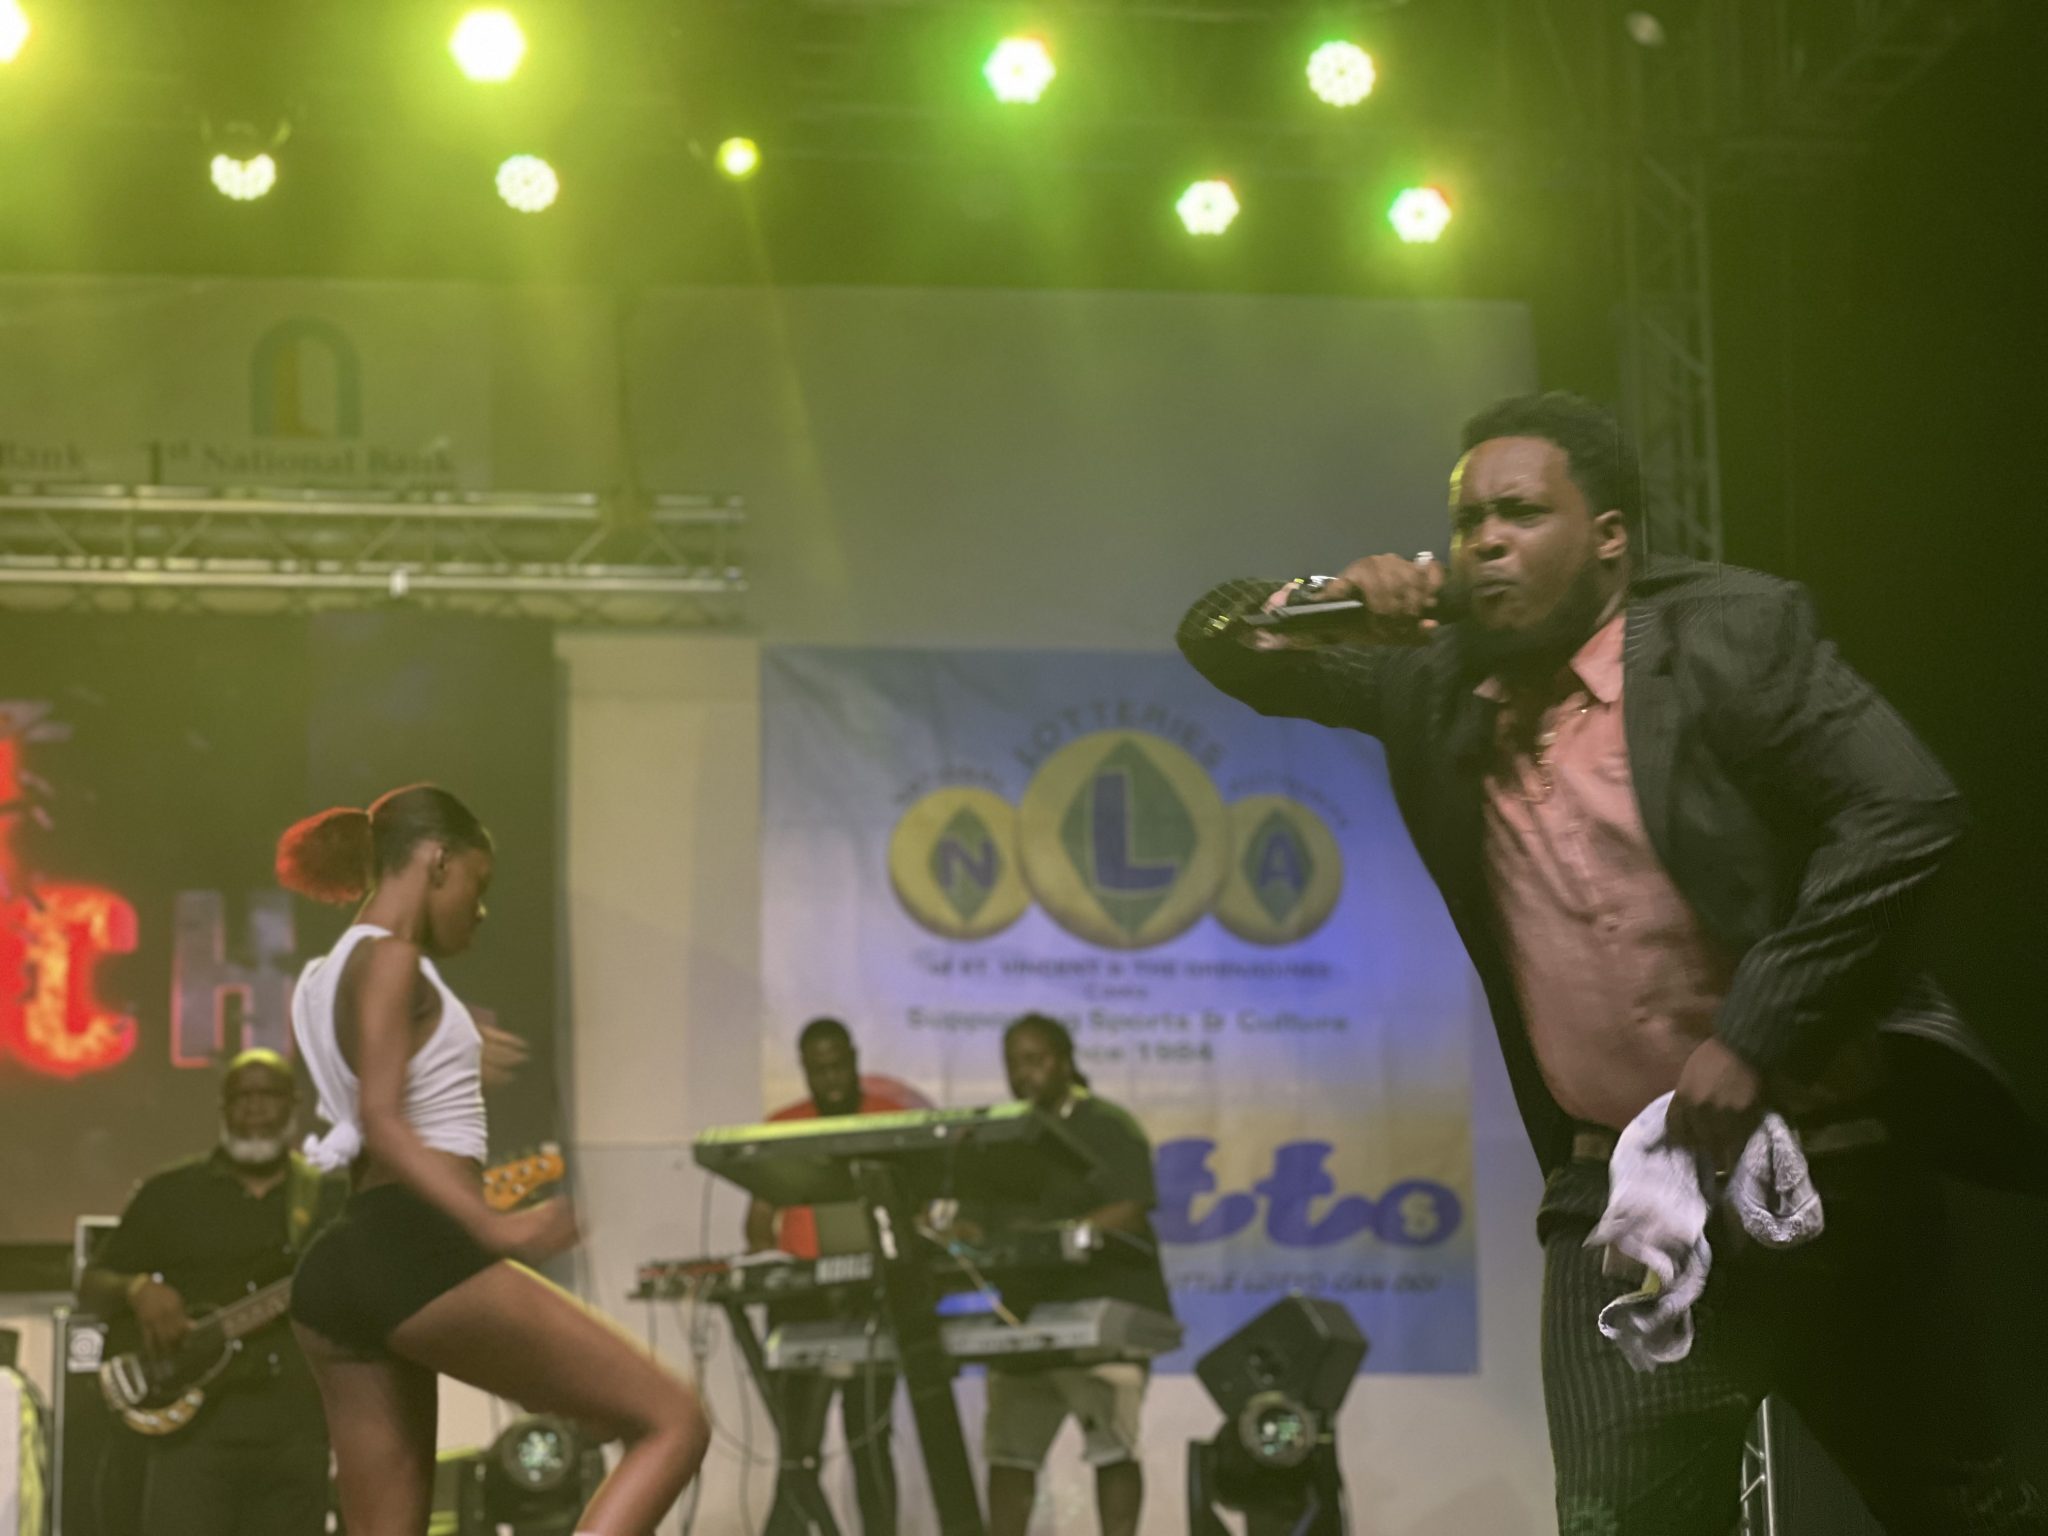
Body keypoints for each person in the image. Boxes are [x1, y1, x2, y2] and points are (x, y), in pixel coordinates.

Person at [1178, 390, 2047, 1534]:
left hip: (1829, 1172)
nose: (1486, 540)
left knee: (1963, 1512)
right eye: (1468, 522)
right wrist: (1327, 601)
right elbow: (1217, 639)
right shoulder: (1430, 681)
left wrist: (1753, 1032)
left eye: (1520, 513)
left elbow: (1907, 810)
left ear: (1608, 537)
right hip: (1624, 1200)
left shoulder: (1729, 637)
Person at [276, 783, 708, 1536]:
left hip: (342, 1269)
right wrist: (495, 1226)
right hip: (413, 1250)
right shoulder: (394, 960)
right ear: (437, 860)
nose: (480, 911)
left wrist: (449, 1050)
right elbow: (380, 1120)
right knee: (674, 1421)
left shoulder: (322, 975)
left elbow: (364, 1082)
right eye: (479, 886)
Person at [78, 1048, 346, 1536]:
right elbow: (90, 1286)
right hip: (192, 1438)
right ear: (223, 1108)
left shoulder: (332, 1199)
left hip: (298, 1431)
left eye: (269, 1095)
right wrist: (137, 1289)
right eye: (242, 1096)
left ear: (294, 1105)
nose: (255, 1107)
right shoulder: (171, 1193)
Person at [969, 1013, 1172, 1536]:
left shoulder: (1108, 1125)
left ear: (1063, 1061)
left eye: (1034, 1061)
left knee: (1112, 1447)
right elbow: (977, 1220)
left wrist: (1059, 1236)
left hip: (1101, 1316)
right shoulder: (1003, 1136)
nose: (1023, 1074)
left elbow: (1130, 1206)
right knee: (1008, 1455)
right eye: (1013, 1064)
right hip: (1025, 1319)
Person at [745, 1017, 929, 1536]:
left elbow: (920, 1205)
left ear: (854, 1059)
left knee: (868, 1439)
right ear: (804, 1070)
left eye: (838, 1066)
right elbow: (758, 1221)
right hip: (800, 1300)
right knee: (797, 1448)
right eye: (818, 1070)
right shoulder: (784, 1126)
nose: (830, 1079)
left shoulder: (889, 1119)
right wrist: (768, 1263)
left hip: (874, 1296)